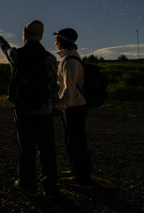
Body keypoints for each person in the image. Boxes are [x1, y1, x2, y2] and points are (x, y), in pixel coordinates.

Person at [0, 20, 59, 197]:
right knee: (47, 149)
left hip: (22, 109)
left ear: (25, 35)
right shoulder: (49, 58)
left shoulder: (16, 55)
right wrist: (55, 105)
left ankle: (27, 184)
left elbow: (5, 48)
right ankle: (51, 186)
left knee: (27, 148)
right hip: (44, 110)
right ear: (41, 36)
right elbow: (54, 85)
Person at [53, 28, 92, 188]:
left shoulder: (69, 62)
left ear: (62, 41)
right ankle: (77, 172)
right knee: (73, 141)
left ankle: (83, 179)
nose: (55, 42)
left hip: (74, 107)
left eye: (57, 39)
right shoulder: (70, 59)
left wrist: (60, 106)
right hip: (75, 106)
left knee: (77, 142)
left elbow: (68, 89)